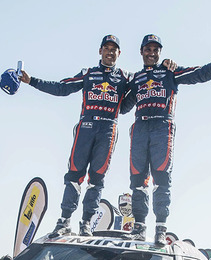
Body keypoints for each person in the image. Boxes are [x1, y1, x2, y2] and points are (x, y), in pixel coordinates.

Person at [121, 34, 211, 245]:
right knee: (137, 180)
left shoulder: (170, 72)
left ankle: (161, 227)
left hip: (162, 126)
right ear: (141, 52)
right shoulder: (136, 78)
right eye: (147, 49)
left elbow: (202, 73)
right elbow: (122, 107)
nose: (151, 53)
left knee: (161, 179)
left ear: (160, 53)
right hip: (140, 127)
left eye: (155, 50)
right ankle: (139, 226)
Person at [20, 35, 132, 237]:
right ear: (100, 51)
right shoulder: (88, 73)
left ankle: (87, 222)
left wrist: (166, 66)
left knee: (97, 178)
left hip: (108, 129)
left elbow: (146, 84)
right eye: (106, 48)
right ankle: (64, 220)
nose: (110, 52)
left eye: (114, 49)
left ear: (119, 53)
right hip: (86, 125)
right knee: (74, 174)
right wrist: (32, 81)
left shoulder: (126, 76)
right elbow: (62, 88)